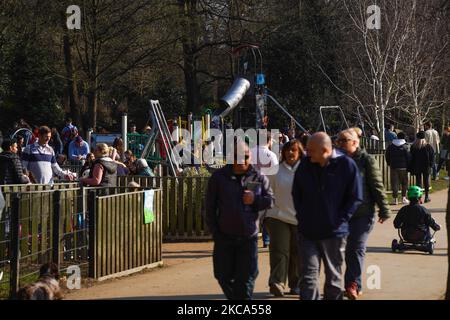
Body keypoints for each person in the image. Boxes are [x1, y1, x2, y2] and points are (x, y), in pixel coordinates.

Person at [292, 132, 363, 300]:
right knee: (308, 278)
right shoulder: (304, 165)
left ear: (324, 150)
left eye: (310, 150)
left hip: (335, 233)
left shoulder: (346, 165)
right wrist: (302, 217)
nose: (306, 153)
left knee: (333, 279)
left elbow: (355, 197)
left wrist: (340, 220)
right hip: (307, 232)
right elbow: (297, 193)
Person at [205, 140, 274, 300]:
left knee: (246, 279)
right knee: (222, 275)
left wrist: (255, 199)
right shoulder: (219, 178)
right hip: (224, 237)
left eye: (246, 156)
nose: (242, 160)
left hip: (248, 237)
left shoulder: (258, 176)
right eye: (238, 156)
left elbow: (270, 200)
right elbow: (209, 207)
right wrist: (215, 232)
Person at [337, 129, 390, 300]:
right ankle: (350, 284)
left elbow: (376, 185)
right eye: (338, 140)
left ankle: (353, 284)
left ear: (355, 142)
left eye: (344, 140)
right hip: (343, 214)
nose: (340, 143)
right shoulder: (338, 160)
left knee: (356, 248)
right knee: (345, 250)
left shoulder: (366, 160)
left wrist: (384, 208)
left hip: (363, 213)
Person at [265, 139, 303, 297]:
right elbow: (266, 192)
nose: (290, 153)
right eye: (287, 150)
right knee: (280, 250)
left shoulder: (307, 170)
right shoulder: (275, 170)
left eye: (294, 150)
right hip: (278, 216)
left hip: (301, 218)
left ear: (300, 152)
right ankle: (277, 282)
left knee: (298, 253)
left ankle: (297, 284)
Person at [250, 132, 279, 247]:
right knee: (267, 214)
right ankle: (266, 240)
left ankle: (252, 238)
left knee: (253, 214)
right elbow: (276, 172)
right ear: (268, 140)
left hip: (252, 185)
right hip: (267, 185)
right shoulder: (271, 154)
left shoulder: (251, 151)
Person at [385, 132, 411, 205]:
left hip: (394, 167)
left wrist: (389, 163)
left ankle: (395, 199)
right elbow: (408, 157)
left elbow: (387, 156)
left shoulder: (391, 146)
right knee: (404, 183)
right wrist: (408, 166)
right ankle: (403, 198)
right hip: (404, 167)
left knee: (394, 183)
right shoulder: (406, 146)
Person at [409, 131, 434, 203]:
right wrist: (431, 165)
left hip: (417, 166)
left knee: (418, 182)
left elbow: (411, 157)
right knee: (426, 182)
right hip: (426, 167)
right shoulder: (428, 146)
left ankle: (419, 198)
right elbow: (432, 157)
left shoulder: (414, 146)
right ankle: (426, 196)